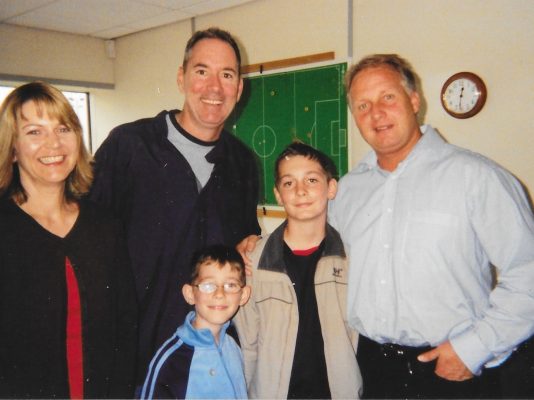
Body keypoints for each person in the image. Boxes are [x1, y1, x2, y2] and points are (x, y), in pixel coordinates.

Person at [328, 54, 534, 398]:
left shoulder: (477, 177)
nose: (376, 113)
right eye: (363, 105)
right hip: (371, 368)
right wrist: (255, 247)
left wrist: (475, 347)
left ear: (414, 100)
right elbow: (317, 252)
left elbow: (528, 272)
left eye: (387, 97)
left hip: (453, 369)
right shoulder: (347, 191)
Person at [89, 27, 261, 382]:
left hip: (209, 361)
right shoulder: (130, 147)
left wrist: (250, 246)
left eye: (227, 75)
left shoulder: (242, 163)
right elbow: (85, 240)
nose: (214, 88)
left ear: (239, 88)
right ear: (181, 78)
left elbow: (241, 246)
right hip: (133, 359)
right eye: (202, 71)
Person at [0, 82, 137, 398]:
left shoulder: (104, 226)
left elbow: (126, 328)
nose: (54, 143)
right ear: (13, 148)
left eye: (63, 129)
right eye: (34, 132)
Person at [234, 142, 362, 399]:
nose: (300, 191)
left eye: (312, 180)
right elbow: (247, 346)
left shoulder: (353, 258)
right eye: (289, 183)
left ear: (331, 188)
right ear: (278, 194)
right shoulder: (253, 262)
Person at [140, 245, 251, 399]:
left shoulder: (234, 346)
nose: (219, 294)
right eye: (208, 285)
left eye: (230, 285)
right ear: (190, 294)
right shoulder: (171, 360)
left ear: (243, 295)